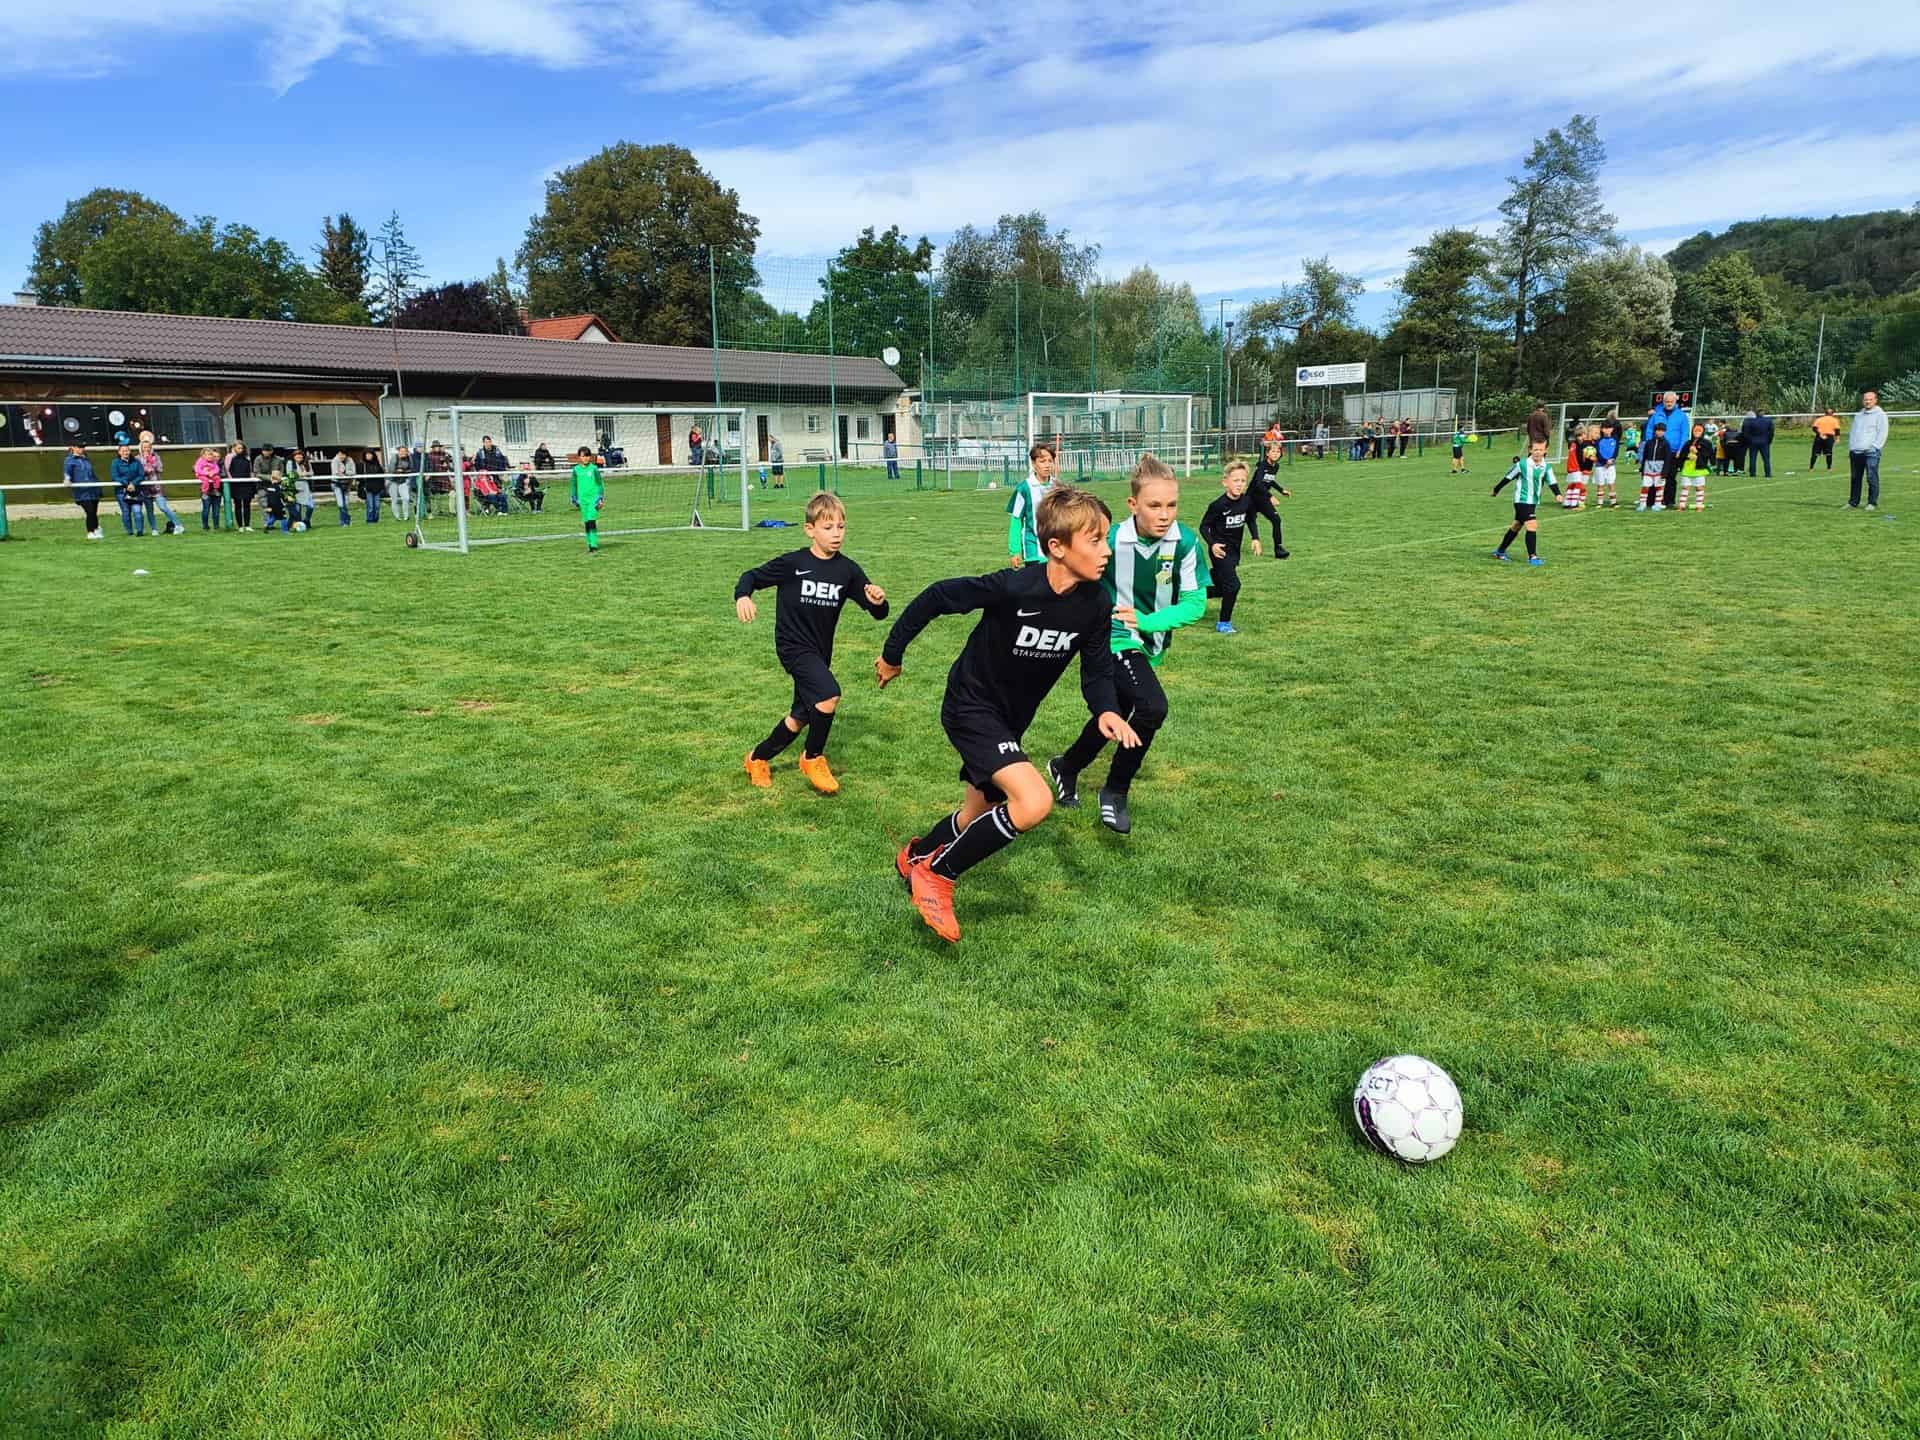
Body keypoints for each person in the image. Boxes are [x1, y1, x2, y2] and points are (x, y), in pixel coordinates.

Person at [876, 485, 1139, 943]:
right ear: (1057, 547)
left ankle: (915, 855)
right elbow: (938, 596)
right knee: (1034, 802)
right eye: (1095, 540)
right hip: (969, 705)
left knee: (978, 811)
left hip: (1011, 719)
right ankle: (937, 874)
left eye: (1106, 539)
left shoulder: (1096, 604)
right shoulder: (1015, 587)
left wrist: (1106, 710)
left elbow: (1096, 670)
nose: (1106, 550)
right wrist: (892, 654)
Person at [1046, 455, 1209, 836]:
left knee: (1116, 712)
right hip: (1113, 636)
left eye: (1172, 505)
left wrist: (1148, 622)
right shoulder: (1112, 539)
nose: (1164, 514)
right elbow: (1071, 568)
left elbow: (1195, 604)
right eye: (1154, 505)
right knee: (1152, 707)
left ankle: (1066, 767)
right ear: (1133, 504)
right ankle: (1115, 790)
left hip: (1148, 640)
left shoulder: (1185, 543)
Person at [736, 491, 890, 795]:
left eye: (841, 527)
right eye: (828, 527)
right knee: (829, 695)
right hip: (792, 647)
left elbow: (878, 613)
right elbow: (751, 576)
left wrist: (878, 601)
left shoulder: (848, 571)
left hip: (820, 653)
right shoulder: (793, 563)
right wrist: (743, 595)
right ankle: (812, 758)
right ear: (810, 530)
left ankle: (756, 758)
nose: (836, 534)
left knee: (800, 717)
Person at [1199, 459, 1255, 633]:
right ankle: (1224, 623)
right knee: (1233, 586)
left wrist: (1255, 538)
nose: (1239, 484)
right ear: (1225, 482)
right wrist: (1213, 544)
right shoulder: (1218, 505)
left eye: (1243, 481)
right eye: (1236, 480)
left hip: (1234, 551)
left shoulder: (1246, 501)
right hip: (1220, 551)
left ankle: (1186, 595)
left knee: (1221, 589)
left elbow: (1251, 519)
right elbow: (1204, 526)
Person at [1490, 439, 1560, 564]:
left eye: (1541, 450)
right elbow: (1508, 478)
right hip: (1521, 500)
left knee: (1516, 526)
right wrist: (1496, 489)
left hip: (1533, 501)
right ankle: (1532, 557)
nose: (1538, 452)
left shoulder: (1546, 467)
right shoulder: (1521, 465)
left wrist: (1558, 494)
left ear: (1545, 451)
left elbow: (1552, 482)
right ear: (1530, 450)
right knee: (1532, 525)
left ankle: (1500, 551)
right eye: (1535, 449)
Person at [1006, 441, 1056, 568]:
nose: (1047, 465)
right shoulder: (1024, 488)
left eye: (1050, 461)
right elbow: (1016, 521)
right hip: (1033, 551)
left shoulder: (1058, 487)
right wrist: (1015, 551)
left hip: (1055, 549)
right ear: (1033, 464)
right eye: (1042, 461)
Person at [1246, 438, 1292, 558]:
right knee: (1249, 519)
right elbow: (1258, 483)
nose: (1276, 454)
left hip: (1263, 497)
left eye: (1278, 452)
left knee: (1276, 520)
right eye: (1273, 451)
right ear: (1267, 453)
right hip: (1252, 497)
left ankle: (1278, 549)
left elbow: (1270, 480)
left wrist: (1281, 490)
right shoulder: (1262, 465)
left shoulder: (1276, 466)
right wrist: (1270, 496)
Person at [1647, 391, 1690, 507]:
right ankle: (1651, 500)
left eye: (1671, 401)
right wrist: (1650, 445)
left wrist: (1681, 449)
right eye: (1667, 401)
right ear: (1663, 401)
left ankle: (1669, 500)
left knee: (1670, 476)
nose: (1669, 403)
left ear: (1675, 401)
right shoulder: (1656, 415)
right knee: (1654, 476)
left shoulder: (1682, 416)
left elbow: (1685, 434)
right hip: (1657, 450)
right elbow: (1649, 430)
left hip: (1673, 451)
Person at [1847, 390, 1888, 510]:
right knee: (1855, 478)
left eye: (1870, 399)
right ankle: (1853, 502)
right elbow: (1853, 432)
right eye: (1865, 399)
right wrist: (1852, 447)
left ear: (1875, 400)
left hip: (1871, 452)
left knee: (1871, 477)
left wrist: (1875, 447)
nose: (1868, 402)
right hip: (1856, 451)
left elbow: (1883, 432)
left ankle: (1872, 503)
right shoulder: (1858, 415)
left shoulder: (1880, 415)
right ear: (1863, 401)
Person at [137, 434, 183, 535]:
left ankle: (178, 525)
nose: (146, 449)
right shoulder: (137, 459)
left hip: (156, 487)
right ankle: (154, 529)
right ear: (141, 448)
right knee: (149, 510)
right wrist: (144, 470)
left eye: (148, 447)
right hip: (144, 488)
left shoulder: (156, 457)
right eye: (144, 447)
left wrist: (152, 465)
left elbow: (160, 469)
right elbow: (137, 471)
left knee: (163, 507)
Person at [64, 442, 104, 540]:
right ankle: (90, 532)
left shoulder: (86, 459)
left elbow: (92, 474)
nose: (82, 449)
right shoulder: (69, 460)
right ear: (73, 447)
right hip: (81, 491)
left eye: (83, 447)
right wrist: (67, 479)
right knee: (90, 511)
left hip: (93, 489)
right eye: (79, 447)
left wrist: (98, 487)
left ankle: (96, 529)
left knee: (94, 511)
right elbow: (67, 472)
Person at [570, 446, 605, 552]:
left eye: (587, 456)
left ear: (590, 457)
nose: (585, 458)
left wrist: (600, 497)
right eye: (583, 456)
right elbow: (573, 484)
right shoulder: (576, 470)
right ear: (579, 457)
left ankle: (594, 545)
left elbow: (600, 484)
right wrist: (573, 497)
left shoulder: (594, 469)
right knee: (586, 522)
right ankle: (589, 544)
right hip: (582, 500)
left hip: (593, 499)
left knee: (591, 520)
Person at [1674, 421, 1714, 512]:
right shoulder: (1688, 443)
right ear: (1692, 431)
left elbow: (1709, 454)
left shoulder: (1706, 443)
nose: (1697, 432)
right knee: (1685, 487)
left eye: (1699, 431)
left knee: (1699, 487)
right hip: (1687, 468)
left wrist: (1697, 452)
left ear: (1702, 432)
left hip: (1699, 468)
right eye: (1695, 430)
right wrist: (1686, 456)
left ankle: (1699, 506)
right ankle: (1681, 506)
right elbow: (1682, 455)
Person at [111, 443, 147, 536]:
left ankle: (139, 531)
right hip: (121, 492)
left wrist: (133, 483)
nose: (126, 452)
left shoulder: (136, 462)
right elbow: (115, 476)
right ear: (119, 452)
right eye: (123, 451)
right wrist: (127, 484)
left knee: (137, 511)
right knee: (126, 512)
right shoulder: (115, 463)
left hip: (136, 491)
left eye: (127, 450)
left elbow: (141, 475)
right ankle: (130, 532)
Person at [224, 441, 255, 531]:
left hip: (247, 483)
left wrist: (251, 480)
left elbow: (250, 470)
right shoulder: (229, 457)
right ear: (234, 448)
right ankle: (240, 526)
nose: (240, 450)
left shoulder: (247, 457)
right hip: (236, 484)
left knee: (247, 505)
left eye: (242, 448)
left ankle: (247, 525)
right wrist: (232, 480)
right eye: (238, 448)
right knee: (238, 505)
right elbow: (227, 470)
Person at [1592, 417, 1621, 508]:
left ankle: (1613, 502)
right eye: (1605, 428)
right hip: (1600, 465)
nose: (1607, 430)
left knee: (1611, 483)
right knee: (1600, 484)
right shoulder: (1598, 441)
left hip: (1611, 465)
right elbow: (1598, 453)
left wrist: (1612, 460)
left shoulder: (1615, 440)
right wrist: (1605, 461)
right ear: (1602, 429)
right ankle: (1599, 503)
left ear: (1612, 429)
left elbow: (1616, 452)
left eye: (1609, 428)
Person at [1561, 425, 1592, 508]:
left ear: (1585, 434)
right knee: (1573, 485)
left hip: (1581, 469)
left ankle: (1577, 502)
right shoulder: (1573, 444)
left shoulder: (1587, 445)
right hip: (1573, 468)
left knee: (1580, 486)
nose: (1580, 437)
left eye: (1582, 435)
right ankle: (1570, 503)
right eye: (1578, 435)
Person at [259, 460, 292, 533]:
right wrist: (287, 500)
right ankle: (285, 531)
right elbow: (281, 495)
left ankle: (267, 524)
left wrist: (268, 506)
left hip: (272, 505)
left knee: (274, 517)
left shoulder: (269, 487)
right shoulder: (279, 487)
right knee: (283, 517)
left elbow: (269, 498)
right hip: (278, 505)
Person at [194, 447, 222, 530]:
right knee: (206, 509)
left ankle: (216, 489)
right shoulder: (200, 461)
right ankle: (204, 492)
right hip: (203, 476)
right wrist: (206, 473)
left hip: (211, 476)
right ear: (203, 455)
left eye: (210, 455)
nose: (210, 456)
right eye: (207, 455)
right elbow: (197, 469)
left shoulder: (214, 462)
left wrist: (212, 473)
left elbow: (217, 469)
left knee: (217, 478)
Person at [1741, 406, 1774, 477]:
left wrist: (1749, 440)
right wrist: (1769, 440)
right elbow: (1771, 432)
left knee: (1752, 458)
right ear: (1763, 413)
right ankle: (1767, 473)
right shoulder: (1768, 421)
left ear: (1756, 413)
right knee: (1766, 459)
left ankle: (1752, 473)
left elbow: (1746, 432)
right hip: (1764, 442)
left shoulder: (1750, 421)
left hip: (1753, 442)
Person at [288, 449, 316, 528]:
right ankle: (298, 525)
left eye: (301, 456)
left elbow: (312, 473)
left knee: (311, 506)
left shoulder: (306, 463)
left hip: (305, 487)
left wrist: (305, 474)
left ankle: (306, 520)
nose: (299, 458)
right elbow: (290, 474)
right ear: (294, 457)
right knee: (297, 509)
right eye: (297, 456)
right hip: (295, 488)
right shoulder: (290, 463)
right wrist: (301, 475)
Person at [331, 449, 356, 525]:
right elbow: (335, 472)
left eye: (343, 454)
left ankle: (344, 522)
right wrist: (343, 474)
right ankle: (346, 520)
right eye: (340, 454)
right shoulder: (335, 460)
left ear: (346, 455)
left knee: (346, 504)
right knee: (341, 504)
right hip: (336, 484)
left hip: (347, 484)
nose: (342, 456)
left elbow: (353, 472)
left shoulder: (350, 460)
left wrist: (345, 473)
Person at [360, 454, 385, 523]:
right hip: (368, 488)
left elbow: (382, 476)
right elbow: (360, 478)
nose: (368, 456)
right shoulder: (363, 465)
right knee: (370, 506)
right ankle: (370, 520)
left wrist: (381, 486)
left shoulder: (377, 465)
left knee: (377, 506)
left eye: (370, 454)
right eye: (367, 454)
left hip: (377, 488)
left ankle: (376, 520)